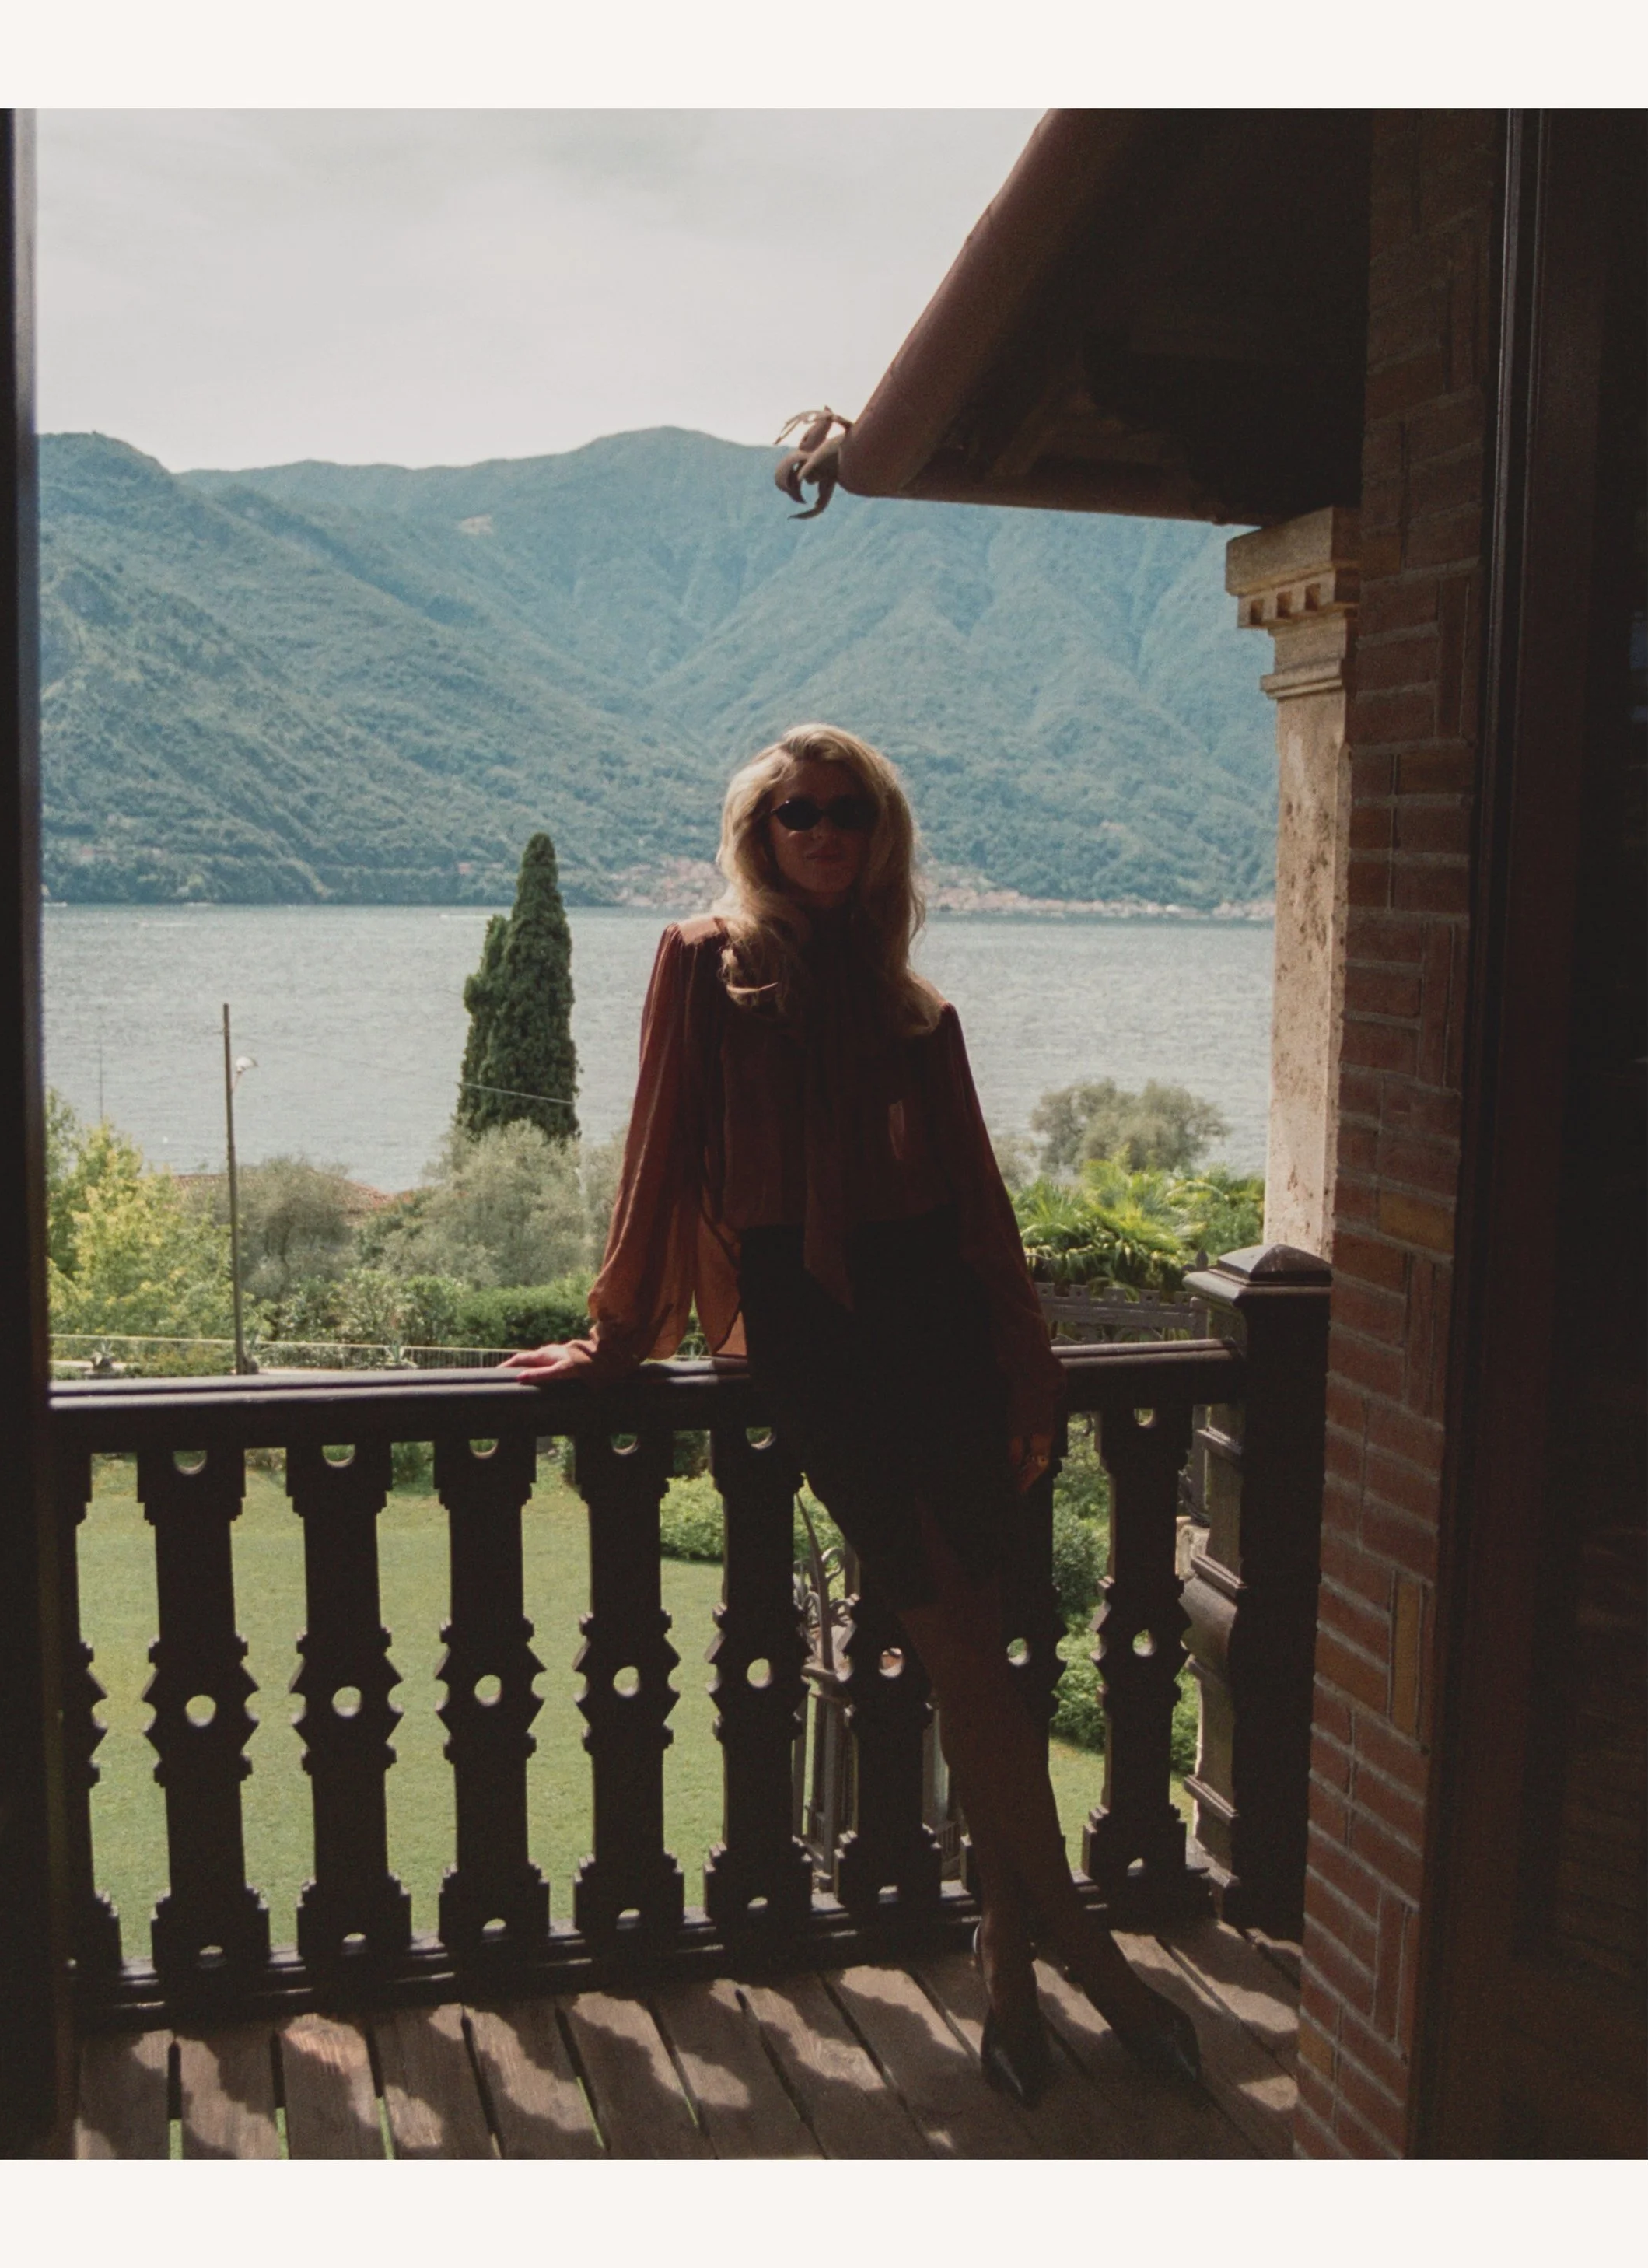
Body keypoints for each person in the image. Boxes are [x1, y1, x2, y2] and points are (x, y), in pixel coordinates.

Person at [503, 723, 1201, 2103]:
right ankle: (1082, 1947)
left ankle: (1010, 1967)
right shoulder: (707, 966)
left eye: (848, 816)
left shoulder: (910, 1009)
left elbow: (980, 1210)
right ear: (755, 835)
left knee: (987, 1662)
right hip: (817, 1339)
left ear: (881, 841)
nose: (822, 835)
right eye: (794, 815)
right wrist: (619, 1333)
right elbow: (656, 1145)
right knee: (958, 1640)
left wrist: (1030, 1365)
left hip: (940, 1332)